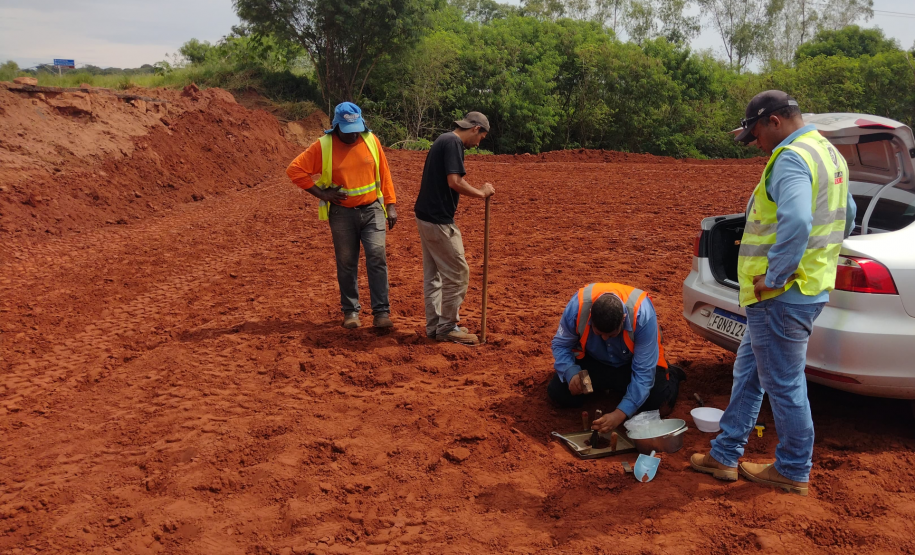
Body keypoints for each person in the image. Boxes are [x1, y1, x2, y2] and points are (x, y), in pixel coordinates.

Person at [690, 91, 856, 496]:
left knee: (784, 383)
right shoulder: (829, 153)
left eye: (756, 135)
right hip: (802, 289)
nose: (757, 145)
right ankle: (726, 453)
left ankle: (794, 468)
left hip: (783, 296)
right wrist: (818, 254)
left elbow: (798, 219)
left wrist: (779, 274)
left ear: (774, 122)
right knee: (749, 371)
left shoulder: (791, 156)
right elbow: (847, 214)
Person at [286, 102, 398, 329]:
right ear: (336, 126)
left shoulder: (371, 141)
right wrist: (322, 193)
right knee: (347, 262)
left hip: (372, 209)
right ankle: (351, 312)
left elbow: (384, 172)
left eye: (356, 128)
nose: (353, 134)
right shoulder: (323, 146)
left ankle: (381, 313)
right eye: (348, 130)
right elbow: (295, 170)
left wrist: (391, 204)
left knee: (377, 257)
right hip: (342, 214)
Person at [548, 283, 685, 433]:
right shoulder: (577, 307)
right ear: (591, 318)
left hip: (630, 363)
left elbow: (643, 373)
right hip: (595, 360)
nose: (605, 338)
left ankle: (671, 375)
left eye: (612, 335)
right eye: (599, 334)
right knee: (559, 393)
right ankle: (608, 386)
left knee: (657, 404)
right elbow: (561, 345)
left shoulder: (643, 315)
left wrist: (620, 414)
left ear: (623, 319)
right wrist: (571, 372)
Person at [414, 112, 495, 345]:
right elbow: (455, 181)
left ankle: (436, 327)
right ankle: (448, 327)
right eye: (481, 138)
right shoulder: (453, 143)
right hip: (438, 220)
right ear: (475, 129)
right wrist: (481, 192)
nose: (478, 144)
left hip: (426, 216)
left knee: (434, 276)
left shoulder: (443, 139)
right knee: (458, 274)